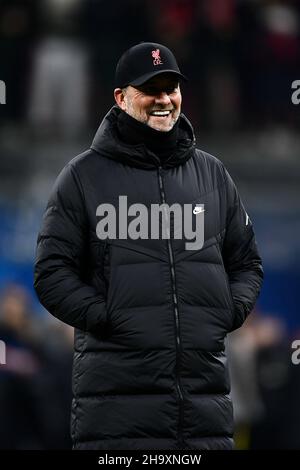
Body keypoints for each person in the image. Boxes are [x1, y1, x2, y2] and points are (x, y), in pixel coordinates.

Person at [34, 42, 263, 450]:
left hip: (204, 416)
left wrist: (227, 311)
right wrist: (108, 318)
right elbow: (51, 274)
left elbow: (247, 262)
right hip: (116, 418)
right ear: (121, 98)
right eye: (150, 88)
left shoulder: (212, 175)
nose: (163, 99)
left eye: (171, 87)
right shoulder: (83, 177)